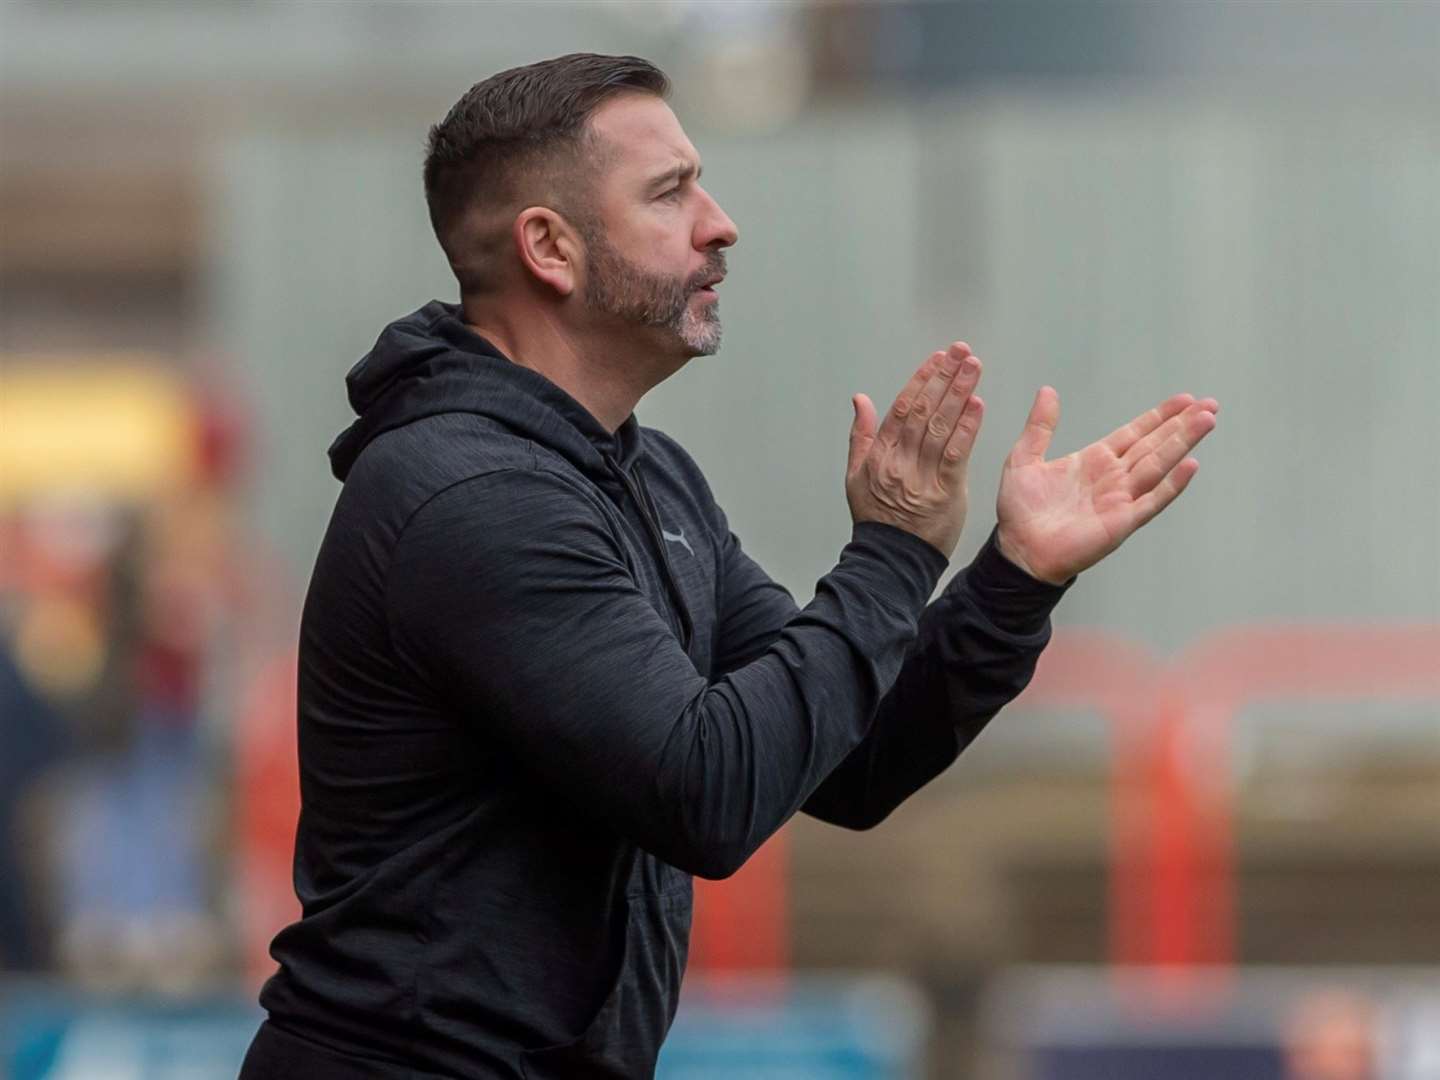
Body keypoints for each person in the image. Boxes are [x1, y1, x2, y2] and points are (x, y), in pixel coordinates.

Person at [240, 52, 1217, 1079]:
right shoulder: (473, 497)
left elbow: (851, 759)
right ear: (549, 248)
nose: (721, 222)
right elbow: (705, 790)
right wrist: (889, 552)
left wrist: (1015, 576)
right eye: (670, 192)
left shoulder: (647, 477)